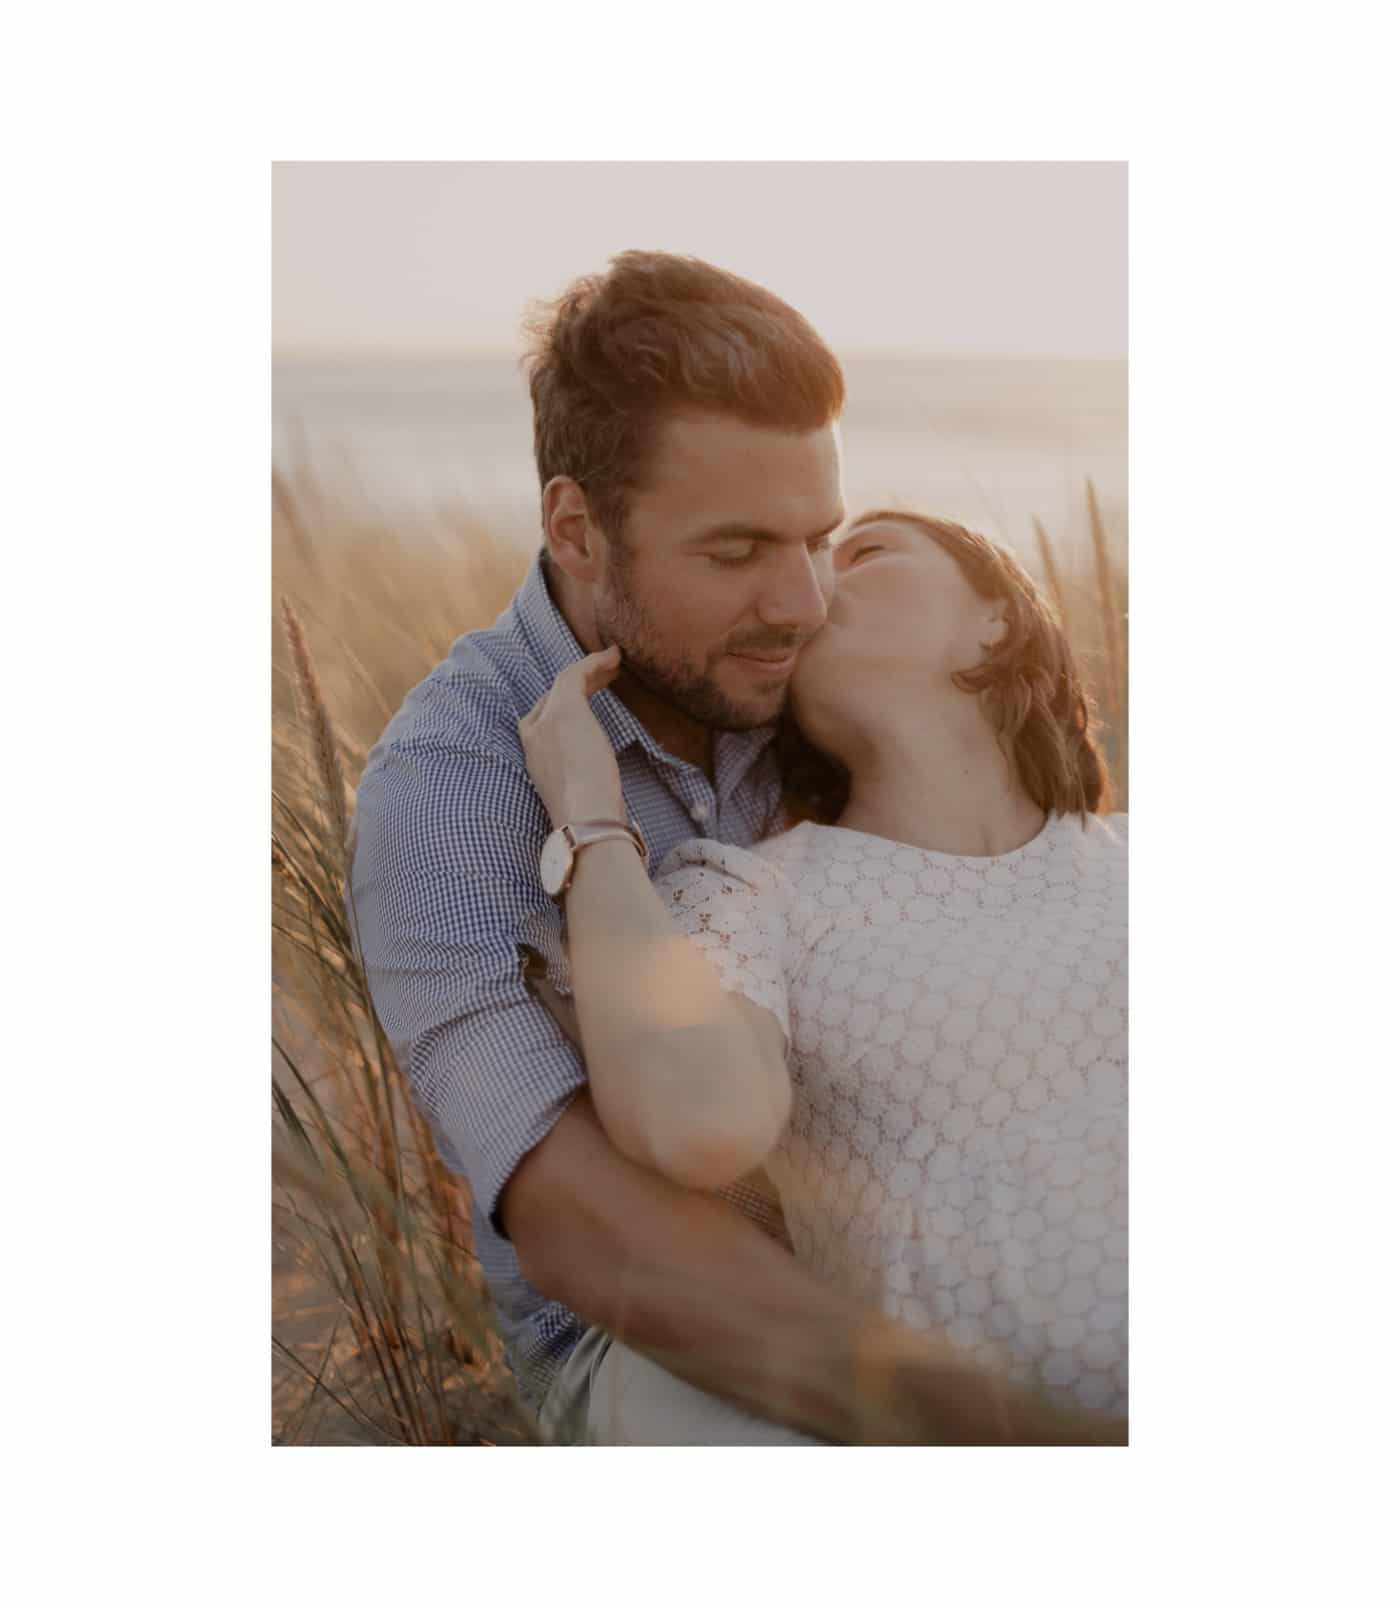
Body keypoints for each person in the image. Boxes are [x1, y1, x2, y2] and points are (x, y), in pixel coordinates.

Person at [351, 250, 1115, 1444]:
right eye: (737, 552)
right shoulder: (448, 791)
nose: (805, 600)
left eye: (822, 538)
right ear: (576, 527)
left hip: (908, 1257)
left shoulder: (800, 677)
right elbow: (582, 1224)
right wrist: (1017, 1439)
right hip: (653, 1331)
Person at [518, 508, 1129, 1426]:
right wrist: (590, 818)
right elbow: (698, 1124)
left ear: (996, 616)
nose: (808, 587)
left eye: (862, 551)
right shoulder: (752, 897)